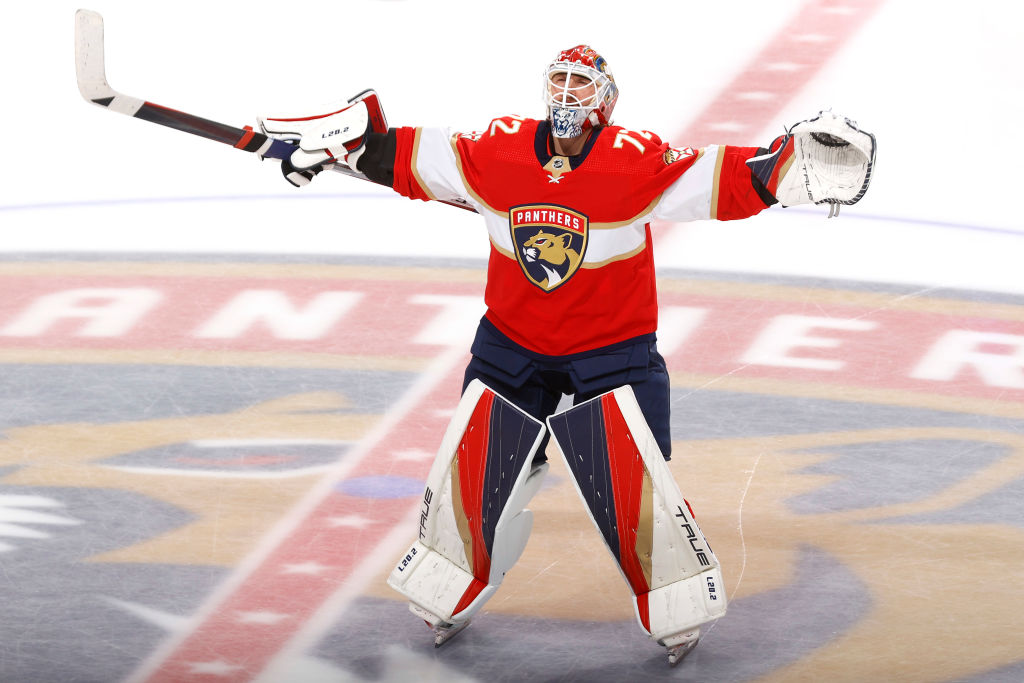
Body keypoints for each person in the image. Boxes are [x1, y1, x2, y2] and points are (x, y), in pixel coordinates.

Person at [260, 44, 875, 663]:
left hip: (612, 348)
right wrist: (344, 149)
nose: (569, 92)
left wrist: (785, 169)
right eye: (560, 78)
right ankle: (449, 583)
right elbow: (409, 159)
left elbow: (723, 178)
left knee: (633, 482)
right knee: (476, 471)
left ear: (607, 100)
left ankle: (677, 600)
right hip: (513, 342)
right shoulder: (497, 150)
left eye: (583, 82)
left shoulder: (633, 163)